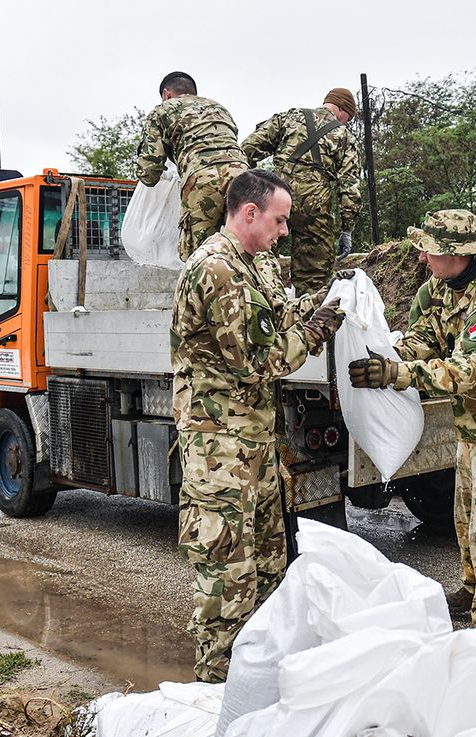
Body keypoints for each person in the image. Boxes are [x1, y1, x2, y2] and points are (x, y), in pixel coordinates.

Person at [171, 168, 348, 682]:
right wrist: (314, 335)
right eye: (280, 219)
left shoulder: (255, 263)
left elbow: (279, 316)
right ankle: (217, 684)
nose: (285, 230)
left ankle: (261, 671)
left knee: (270, 557)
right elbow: (255, 360)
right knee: (228, 566)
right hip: (219, 443)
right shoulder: (218, 269)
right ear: (249, 212)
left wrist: (324, 302)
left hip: (253, 439)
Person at [348, 210, 476, 626]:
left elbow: (462, 372)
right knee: (466, 514)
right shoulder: (439, 287)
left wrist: (395, 375)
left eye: (428, 251)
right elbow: (424, 340)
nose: (420, 258)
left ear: (456, 255)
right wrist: (387, 349)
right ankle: (474, 590)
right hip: (471, 425)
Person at [241, 88, 362, 294]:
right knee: (313, 282)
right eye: (347, 118)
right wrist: (347, 229)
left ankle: (263, 313)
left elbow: (248, 148)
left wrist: (247, 188)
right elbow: (349, 186)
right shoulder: (344, 136)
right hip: (315, 210)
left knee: (262, 262)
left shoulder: (291, 117)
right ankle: (307, 322)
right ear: (341, 108)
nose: (345, 124)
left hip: (275, 199)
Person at [136, 71, 249, 262]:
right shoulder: (218, 108)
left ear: (166, 94)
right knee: (246, 247)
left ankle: (205, 291)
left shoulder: (162, 110)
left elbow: (149, 173)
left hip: (202, 179)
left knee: (200, 257)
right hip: (244, 177)